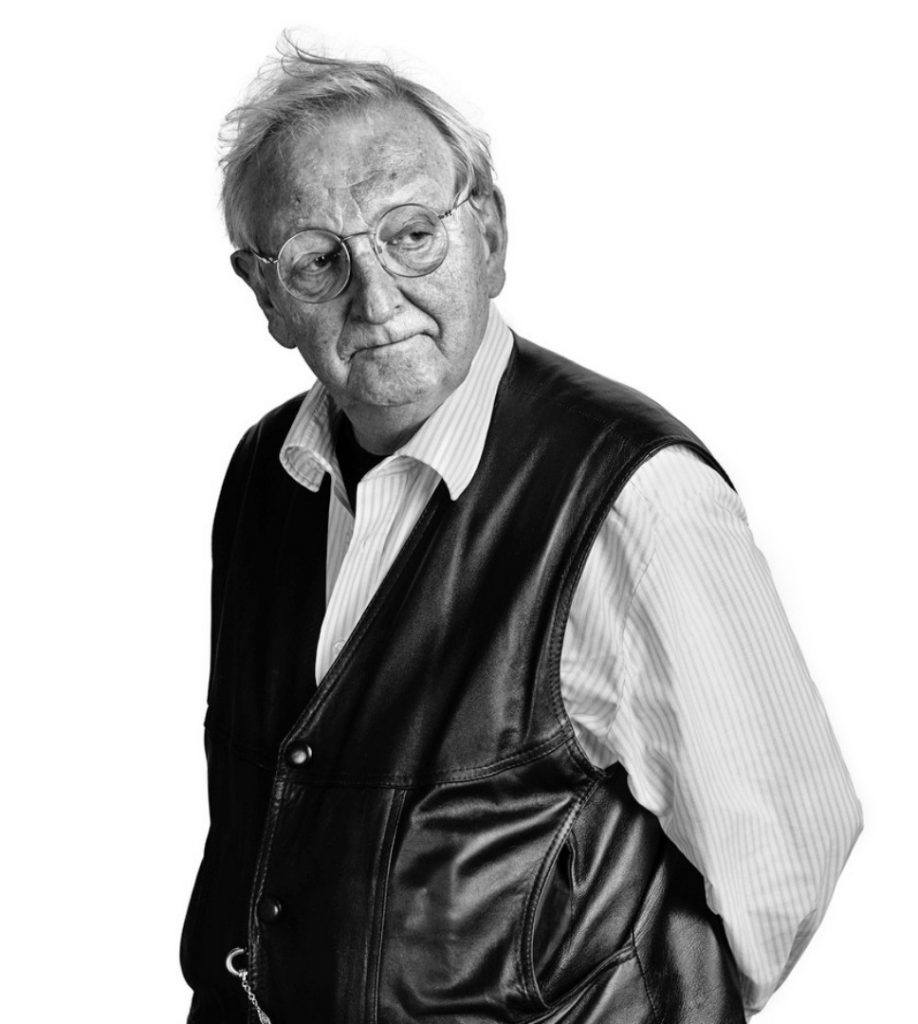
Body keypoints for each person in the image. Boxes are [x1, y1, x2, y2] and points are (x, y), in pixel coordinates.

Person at [180, 39, 863, 1024]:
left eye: (412, 234)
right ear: (266, 296)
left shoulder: (632, 498)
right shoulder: (266, 476)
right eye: (318, 261)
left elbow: (786, 852)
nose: (378, 298)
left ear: (489, 236)